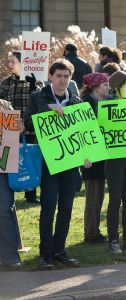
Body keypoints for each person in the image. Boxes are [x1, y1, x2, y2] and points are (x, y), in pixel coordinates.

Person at [23, 59, 89, 269]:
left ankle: (59, 249)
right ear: (50, 77)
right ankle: (45, 254)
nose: (62, 80)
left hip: (71, 163)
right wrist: (48, 110)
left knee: (67, 207)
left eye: (66, 76)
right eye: (58, 76)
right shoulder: (38, 97)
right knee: (48, 207)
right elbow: (27, 123)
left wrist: (87, 155)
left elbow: (85, 133)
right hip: (49, 162)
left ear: (70, 79)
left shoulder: (76, 101)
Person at [0, 51, 42, 204]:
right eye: (9, 61)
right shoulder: (6, 82)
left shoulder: (35, 80)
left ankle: (30, 191)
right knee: (9, 157)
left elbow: (40, 100)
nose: (10, 65)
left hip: (29, 125)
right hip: (9, 128)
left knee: (28, 156)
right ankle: (10, 188)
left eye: (13, 62)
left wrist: (32, 85)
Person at [105, 70, 126, 254]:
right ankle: (113, 239)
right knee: (115, 200)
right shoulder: (108, 105)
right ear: (117, 88)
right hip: (114, 160)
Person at [79, 72, 110, 243]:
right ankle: (91, 234)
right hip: (91, 159)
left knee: (98, 196)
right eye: (105, 85)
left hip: (101, 156)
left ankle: (93, 231)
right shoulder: (87, 105)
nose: (108, 87)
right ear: (95, 87)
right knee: (94, 197)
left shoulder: (102, 102)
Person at [0, 99, 22, 270]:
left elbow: (15, 133)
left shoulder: (5, 106)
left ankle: (10, 256)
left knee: (4, 208)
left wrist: (19, 128)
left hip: (2, 165)